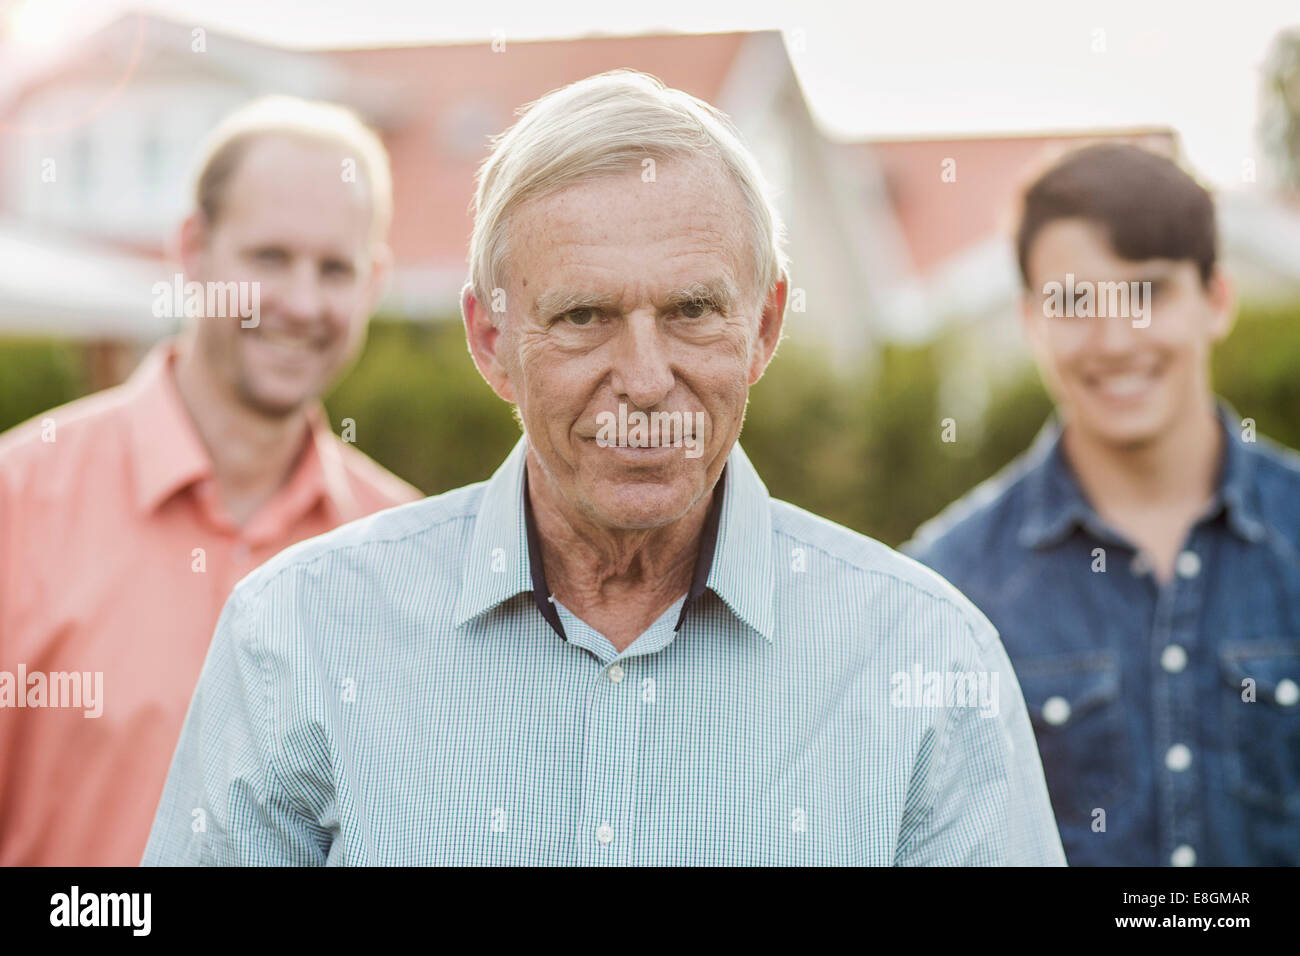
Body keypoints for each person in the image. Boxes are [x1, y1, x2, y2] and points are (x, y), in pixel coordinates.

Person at [143, 71, 1063, 866]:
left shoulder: (929, 658)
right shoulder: (299, 634)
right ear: (491, 339)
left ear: (766, 328)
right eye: (584, 316)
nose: (646, 378)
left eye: (695, 309)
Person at [0, 96, 421, 866]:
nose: (300, 302)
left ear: (374, 281)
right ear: (192, 249)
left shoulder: (410, 552)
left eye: (334, 268)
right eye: (268, 258)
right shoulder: (18, 501)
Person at [907, 142, 1300, 866]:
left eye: (1146, 292)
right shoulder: (943, 591)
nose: (1115, 341)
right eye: (1075, 302)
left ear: (1216, 301)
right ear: (1031, 319)